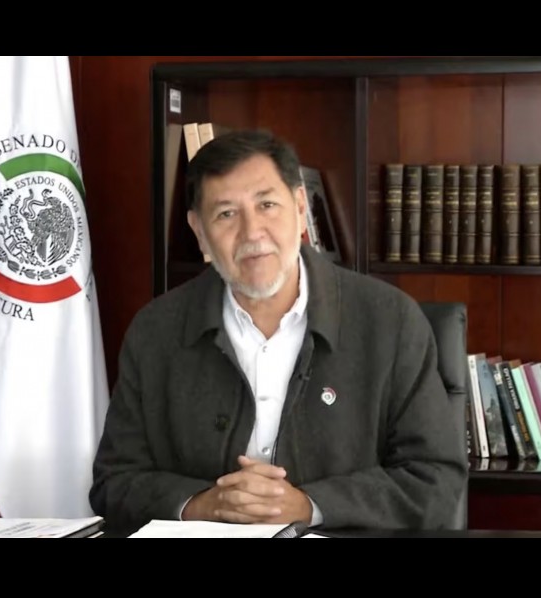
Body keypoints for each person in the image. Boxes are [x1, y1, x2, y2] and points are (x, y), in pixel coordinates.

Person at [89, 129, 468, 531]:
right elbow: (114, 483)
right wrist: (204, 504)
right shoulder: (156, 331)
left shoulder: (390, 321)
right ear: (199, 231)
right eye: (226, 214)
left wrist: (309, 506)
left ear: (301, 208)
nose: (252, 233)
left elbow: (435, 482)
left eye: (267, 205)